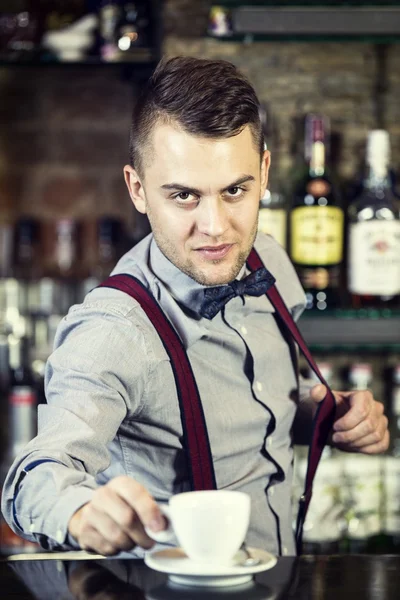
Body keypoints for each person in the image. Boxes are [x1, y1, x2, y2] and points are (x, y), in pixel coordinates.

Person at [1, 57, 389, 558]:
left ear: (264, 172)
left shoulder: (268, 259)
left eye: (234, 190)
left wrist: (324, 418)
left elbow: (255, 408)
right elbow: (32, 479)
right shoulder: (114, 331)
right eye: (184, 196)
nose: (216, 226)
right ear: (137, 190)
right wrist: (78, 511)